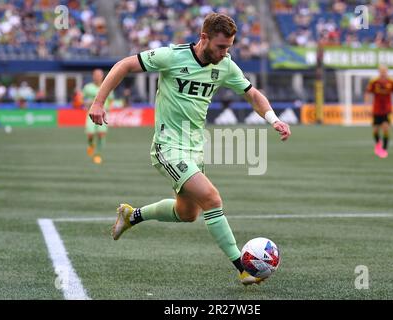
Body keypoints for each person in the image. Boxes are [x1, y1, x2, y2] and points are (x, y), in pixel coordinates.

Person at [89, 13, 291, 285]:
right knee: (212, 199)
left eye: (229, 47)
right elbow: (124, 65)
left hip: (195, 148)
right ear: (204, 37)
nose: (224, 52)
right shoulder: (172, 57)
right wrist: (99, 102)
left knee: (187, 213)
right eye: (221, 47)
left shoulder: (226, 66)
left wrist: (274, 119)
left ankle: (131, 215)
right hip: (168, 146)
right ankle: (243, 268)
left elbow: (252, 94)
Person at [365, 65, 393, 158]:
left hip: (387, 109)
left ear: (387, 71)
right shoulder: (374, 82)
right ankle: (378, 143)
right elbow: (368, 93)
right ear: (379, 71)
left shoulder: (392, 82)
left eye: (384, 71)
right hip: (376, 109)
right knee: (375, 130)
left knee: (385, 127)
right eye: (381, 71)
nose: (383, 72)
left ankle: (384, 149)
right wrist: (366, 105)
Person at [83, 69, 114, 164]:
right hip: (91, 114)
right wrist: (86, 103)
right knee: (90, 134)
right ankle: (91, 144)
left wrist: (109, 108)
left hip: (103, 114)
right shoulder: (88, 87)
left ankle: (97, 154)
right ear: (93, 76)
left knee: (101, 134)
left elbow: (111, 99)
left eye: (99, 75)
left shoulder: (107, 86)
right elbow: (81, 99)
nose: (97, 77)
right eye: (95, 75)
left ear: (102, 76)